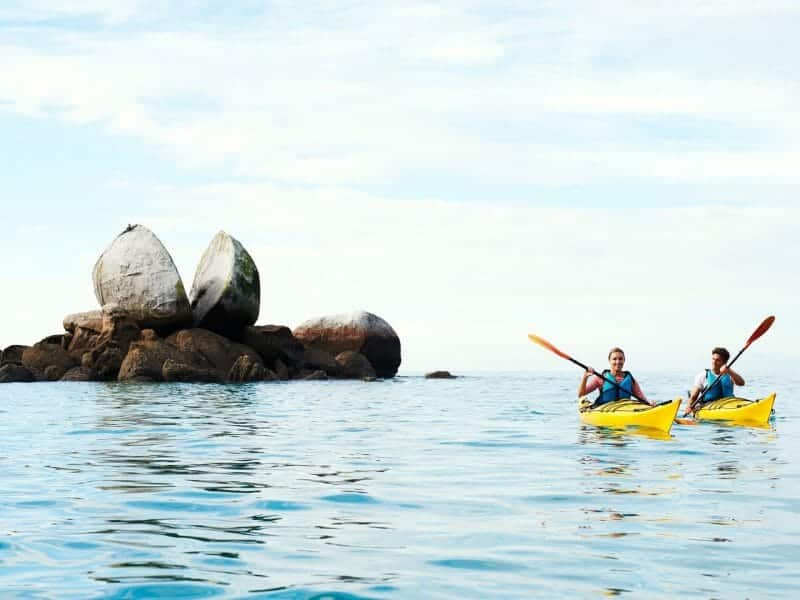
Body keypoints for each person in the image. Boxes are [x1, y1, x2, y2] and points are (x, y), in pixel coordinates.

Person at [578, 347, 651, 407]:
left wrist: (650, 404)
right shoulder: (601, 378)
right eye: (614, 359)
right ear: (609, 361)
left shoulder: (630, 379)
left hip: (626, 410)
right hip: (605, 411)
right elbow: (581, 394)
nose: (618, 362)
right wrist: (585, 377)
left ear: (624, 360)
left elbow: (642, 398)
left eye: (620, 359)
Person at [683, 347, 745, 416]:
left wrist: (729, 370)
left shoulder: (730, 374)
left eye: (718, 360)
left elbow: (741, 383)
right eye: (713, 359)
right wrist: (688, 408)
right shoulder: (703, 375)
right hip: (709, 406)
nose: (714, 362)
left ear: (724, 362)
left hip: (730, 404)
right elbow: (693, 397)